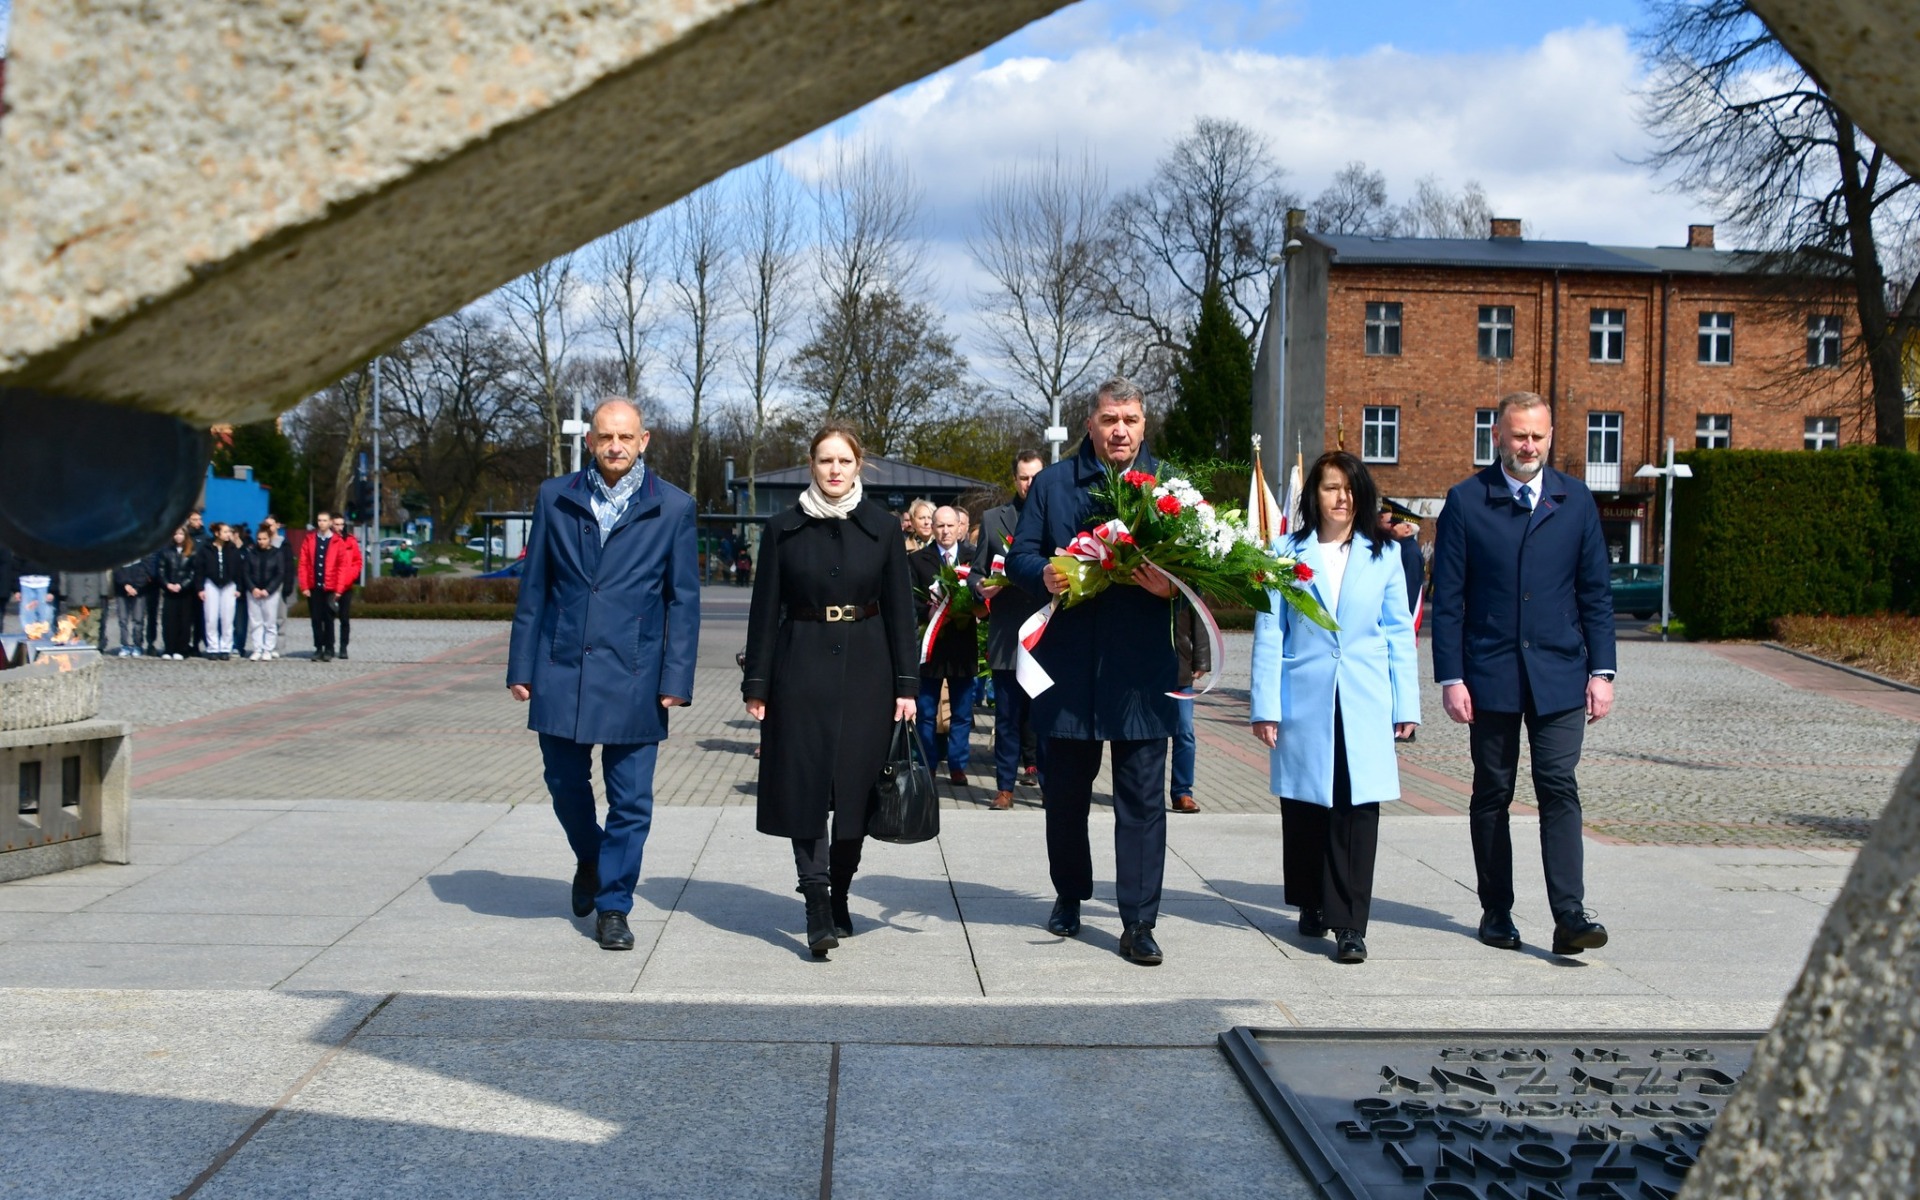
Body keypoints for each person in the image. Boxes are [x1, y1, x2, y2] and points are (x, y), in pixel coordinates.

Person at [508, 398, 699, 952]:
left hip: (636, 674)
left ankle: (614, 905)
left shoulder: (674, 507)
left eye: (625, 436)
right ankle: (591, 857)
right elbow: (534, 587)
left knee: (631, 800)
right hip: (561, 666)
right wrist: (522, 665)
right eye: (604, 437)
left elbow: (683, 601)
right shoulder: (555, 497)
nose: (614, 446)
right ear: (590, 441)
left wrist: (675, 678)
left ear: (645, 440)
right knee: (564, 784)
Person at [1432, 391, 1616, 957]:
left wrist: (1602, 671)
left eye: (1537, 436)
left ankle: (1569, 915)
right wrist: (1451, 677)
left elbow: (1595, 595)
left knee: (1559, 785)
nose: (1528, 446)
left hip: (1561, 674)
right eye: (1518, 436)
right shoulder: (1466, 502)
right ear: (1497, 437)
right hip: (1490, 676)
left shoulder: (1576, 501)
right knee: (1494, 791)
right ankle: (1497, 912)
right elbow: (1449, 600)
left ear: (1551, 436)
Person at [1009, 377, 1180, 966]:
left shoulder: (1170, 489)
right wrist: (1043, 575)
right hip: (1069, 667)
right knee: (1065, 795)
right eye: (1110, 419)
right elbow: (1020, 554)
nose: (1120, 430)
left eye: (1131, 419)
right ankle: (1069, 894)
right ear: (1091, 423)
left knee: (1141, 800)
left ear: (1143, 423)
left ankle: (1138, 921)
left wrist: (1171, 588)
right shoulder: (1054, 486)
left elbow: (1204, 569)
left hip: (1140, 670)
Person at [743, 423, 917, 958]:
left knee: (856, 793)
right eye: (825, 461)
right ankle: (816, 903)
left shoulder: (883, 529)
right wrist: (758, 682)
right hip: (801, 671)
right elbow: (764, 610)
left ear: (858, 465)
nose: (835, 470)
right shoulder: (782, 529)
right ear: (811, 466)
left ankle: (841, 888)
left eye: (843, 461)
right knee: (805, 788)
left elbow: (902, 613)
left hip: (869, 672)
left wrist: (907, 685)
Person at [1250, 451, 1421, 965]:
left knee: (1355, 807)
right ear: (1314, 496)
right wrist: (1265, 705)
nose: (1341, 498)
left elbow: (1397, 632)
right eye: (1330, 488)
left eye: (1349, 488)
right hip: (1304, 695)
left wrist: (1404, 702)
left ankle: (1350, 923)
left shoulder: (1382, 554)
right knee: (1305, 804)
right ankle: (1310, 900)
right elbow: (1268, 630)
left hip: (1364, 697)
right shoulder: (1283, 551)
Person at [971, 450, 1046, 810]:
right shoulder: (992, 519)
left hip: (1047, 636)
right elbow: (974, 573)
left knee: (1046, 719)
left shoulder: (1057, 516)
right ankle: (1004, 787)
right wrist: (980, 586)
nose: (1030, 483)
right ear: (1014, 480)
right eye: (1023, 477)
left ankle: (1049, 785)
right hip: (1007, 636)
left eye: (1035, 476)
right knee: (1007, 718)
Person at [908, 505, 978, 788]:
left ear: (960, 527)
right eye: (940, 526)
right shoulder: (916, 561)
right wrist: (931, 612)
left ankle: (958, 766)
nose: (946, 531)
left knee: (961, 713)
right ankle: (927, 763)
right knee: (926, 712)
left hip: (963, 646)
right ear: (932, 528)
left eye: (951, 526)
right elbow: (909, 600)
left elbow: (983, 593)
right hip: (931, 647)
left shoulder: (973, 557)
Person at [1168, 595, 1211, 812]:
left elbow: (1200, 616)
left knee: (1184, 732)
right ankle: (1144, 791)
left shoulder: (1185, 571)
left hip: (1180, 670)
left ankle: (1182, 792)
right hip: (1143, 672)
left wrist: (1202, 659)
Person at [298, 512, 357, 662]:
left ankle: (329, 648)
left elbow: (342, 567)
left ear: (330, 522)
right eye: (319, 520)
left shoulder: (337, 542)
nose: (321, 523)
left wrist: (339, 589)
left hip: (330, 586)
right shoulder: (310, 539)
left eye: (324, 520)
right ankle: (318, 647)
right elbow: (303, 563)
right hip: (314, 585)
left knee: (329, 618)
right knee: (316, 619)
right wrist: (304, 585)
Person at [194, 522, 242, 660]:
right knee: (211, 617)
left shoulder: (233, 549)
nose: (228, 534)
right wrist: (200, 588)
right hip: (211, 584)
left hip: (229, 585)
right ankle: (213, 647)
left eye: (229, 532)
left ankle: (226, 647)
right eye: (225, 532)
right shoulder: (206, 549)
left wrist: (239, 587)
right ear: (217, 533)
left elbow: (239, 569)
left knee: (227, 618)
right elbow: (199, 570)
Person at [243, 526, 285, 661]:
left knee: (270, 622)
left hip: (270, 592)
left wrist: (269, 589)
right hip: (254, 591)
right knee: (255, 622)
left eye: (264, 539)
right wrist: (252, 588)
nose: (261, 541)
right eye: (259, 539)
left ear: (270, 539)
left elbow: (280, 573)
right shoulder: (251, 553)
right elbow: (246, 572)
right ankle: (257, 648)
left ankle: (268, 648)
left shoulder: (277, 553)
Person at [156, 526, 196, 659]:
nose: (178, 536)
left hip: (185, 592)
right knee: (169, 621)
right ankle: (169, 648)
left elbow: (193, 573)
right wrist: (167, 584)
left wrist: (182, 585)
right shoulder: (165, 552)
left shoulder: (191, 552)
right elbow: (161, 571)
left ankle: (182, 649)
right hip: (169, 592)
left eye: (181, 534)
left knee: (184, 621)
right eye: (176, 534)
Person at [110, 554, 155, 655]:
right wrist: (125, 585)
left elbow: (146, 570)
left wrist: (137, 587)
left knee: (138, 620)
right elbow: (116, 569)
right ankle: (124, 645)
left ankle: (137, 644)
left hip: (139, 591)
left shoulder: (143, 552)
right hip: (122, 590)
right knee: (123, 620)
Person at [332, 520, 364, 659]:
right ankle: (329, 646)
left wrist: (351, 575)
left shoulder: (350, 540)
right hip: (330, 585)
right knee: (327, 619)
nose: (339, 527)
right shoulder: (327, 540)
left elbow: (357, 561)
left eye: (341, 524)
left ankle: (343, 647)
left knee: (344, 618)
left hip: (346, 584)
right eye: (336, 524)